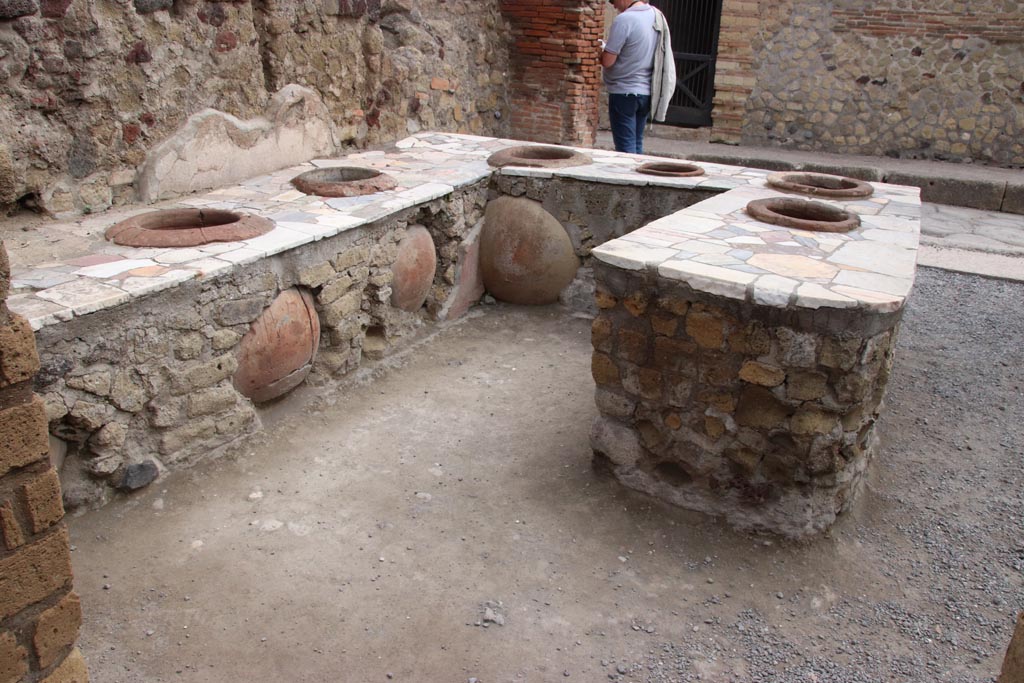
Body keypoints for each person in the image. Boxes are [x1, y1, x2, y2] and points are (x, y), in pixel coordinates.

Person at [600, 0, 676, 155]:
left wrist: (599, 50)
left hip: (624, 92)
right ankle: (636, 177)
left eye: (613, 1)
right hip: (646, 93)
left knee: (625, 149)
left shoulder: (625, 19)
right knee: (636, 143)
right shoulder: (656, 15)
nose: (612, 5)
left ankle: (628, 178)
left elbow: (608, 61)